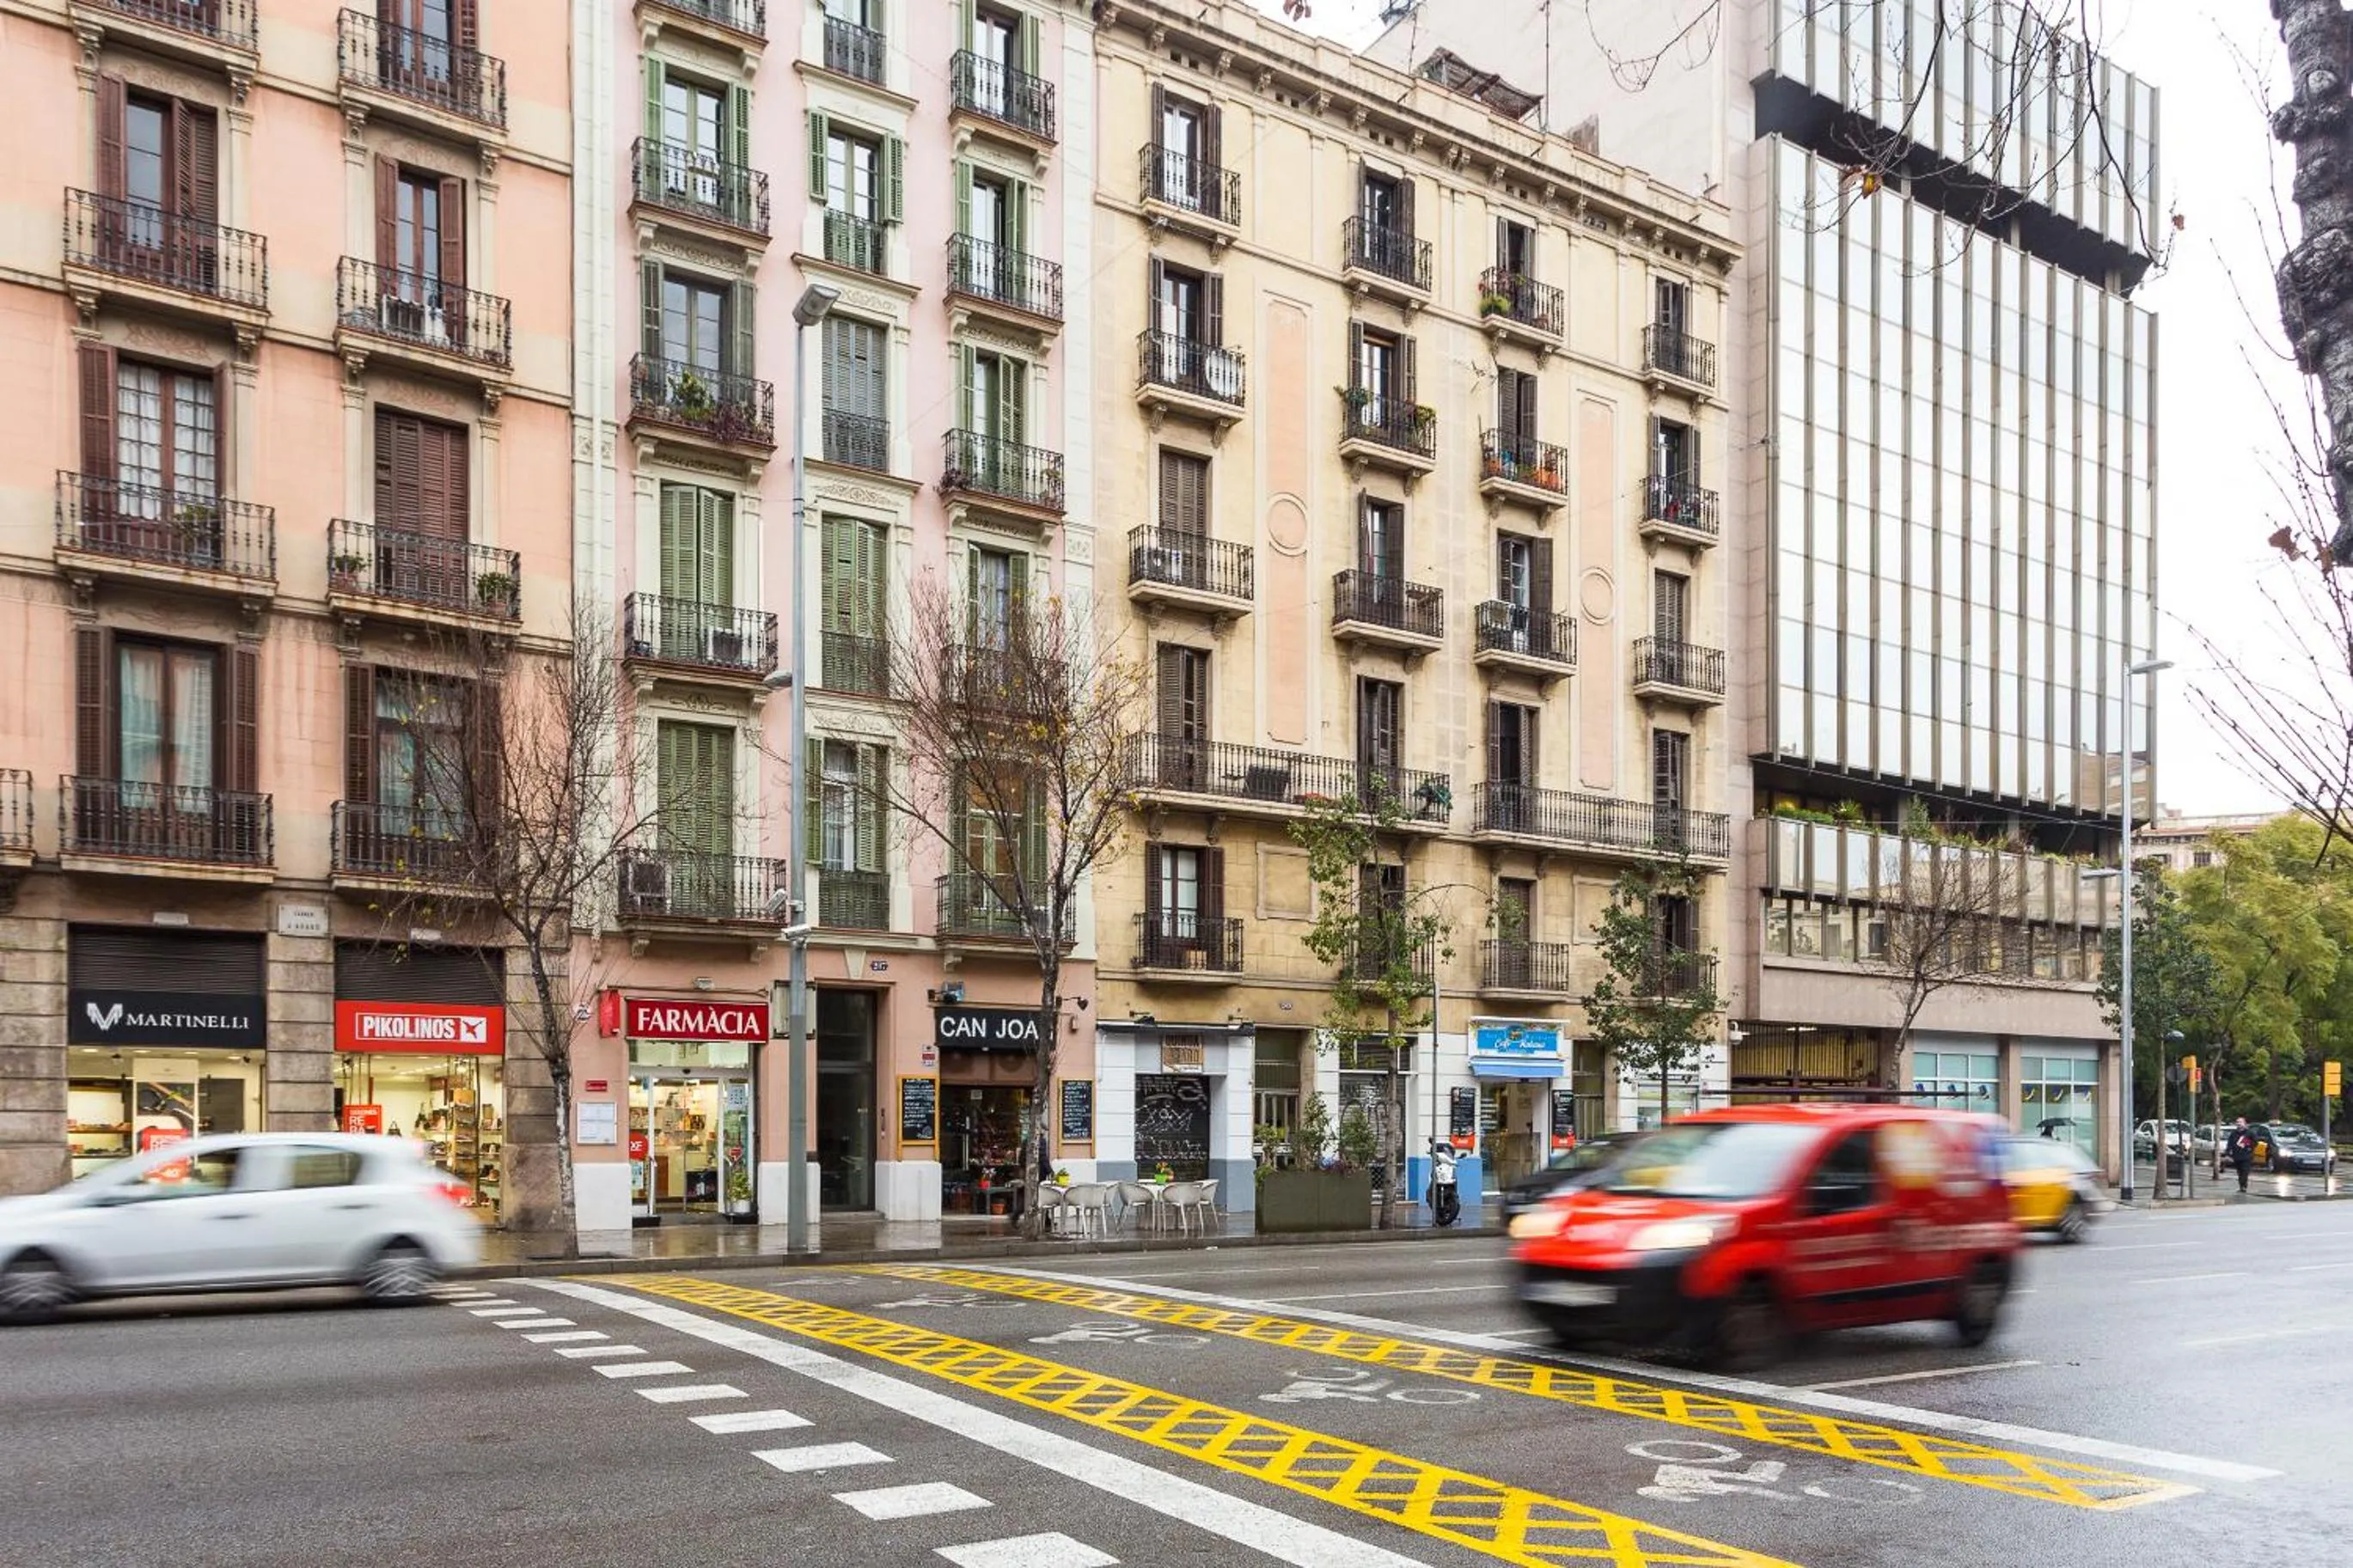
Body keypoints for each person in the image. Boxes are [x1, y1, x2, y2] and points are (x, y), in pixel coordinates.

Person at [2226, 1116, 2257, 1194]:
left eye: (2240, 1122)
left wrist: (2248, 1145)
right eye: (2237, 1122)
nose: (2239, 1124)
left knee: (2245, 1171)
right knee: (2239, 1172)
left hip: (2247, 1156)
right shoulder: (2234, 1133)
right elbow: (2230, 1144)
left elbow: (2255, 1142)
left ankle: (2244, 1186)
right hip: (2237, 1156)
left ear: (2245, 1123)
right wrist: (2228, 1153)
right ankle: (2241, 1186)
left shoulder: (2250, 1133)